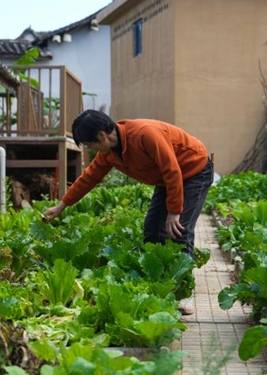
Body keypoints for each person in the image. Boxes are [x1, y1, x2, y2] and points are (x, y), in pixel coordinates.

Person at [42, 110, 214, 314]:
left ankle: (183, 292)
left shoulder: (144, 134)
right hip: (166, 179)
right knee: (152, 230)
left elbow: (172, 169)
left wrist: (174, 211)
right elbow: (89, 178)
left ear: (102, 136)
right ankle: (162, 284)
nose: (91, 149)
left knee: (179, 229)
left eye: (90, 145)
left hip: (194, 170)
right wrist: (62, 205)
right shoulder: (109, 153)